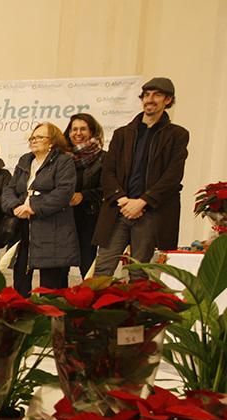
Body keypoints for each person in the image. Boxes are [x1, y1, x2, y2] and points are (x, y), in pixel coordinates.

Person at [93, 77, 189, 276]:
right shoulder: (123, 134)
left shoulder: (177, 135)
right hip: (118, 210)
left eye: (157, 95)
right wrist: (122, 199)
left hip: (150, 213)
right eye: (146, 95)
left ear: (168, 101)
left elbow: (173, 176)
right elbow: (108, 171)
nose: (150, 99)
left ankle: (135, 308)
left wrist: (142, 202)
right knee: (103, 269)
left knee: (139, 273)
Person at [1, 122, 78, 296]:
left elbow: (64, 192)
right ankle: (21, 315)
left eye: (40, 137)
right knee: (20, 273)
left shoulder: (63, 161)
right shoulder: (25, 160)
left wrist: (33, 207)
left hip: (52, 227)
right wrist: (14, 207)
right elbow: (9, 189)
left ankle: (49, 318)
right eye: (32, 137)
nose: (34, 140)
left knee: (50, 283)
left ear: (52, 141)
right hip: (22, 226)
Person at [63, 113, 106, 278]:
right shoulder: (61, 159)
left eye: (83, 129)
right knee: (59, 269)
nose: (78, 133)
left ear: (92, 132)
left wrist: (83, 196)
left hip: (90, 218)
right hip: (63, 219)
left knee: (88, 267)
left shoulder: (103, 158)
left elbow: (107, 188)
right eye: (74, 129)